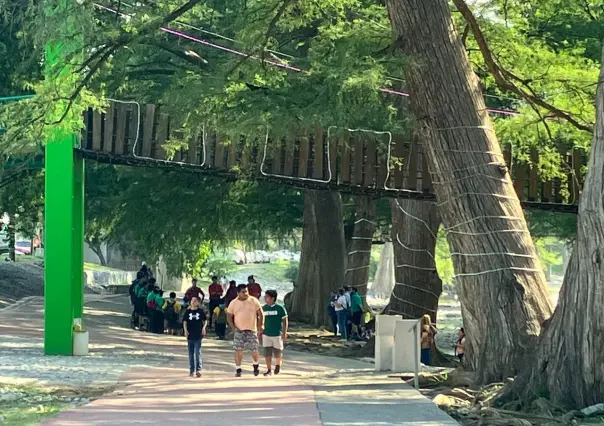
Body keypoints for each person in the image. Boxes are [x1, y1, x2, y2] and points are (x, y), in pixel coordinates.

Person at [227, 284, 264, 377]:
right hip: (239, 330)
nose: (246, 293)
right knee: (238, 349)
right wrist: (233, 328)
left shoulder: (253, 300)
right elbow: (229, 316)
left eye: (246, 291)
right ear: (238, 293)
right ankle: (238, 369)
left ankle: (256, 364)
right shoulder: (233, 303)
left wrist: (261, 325)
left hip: (251, 329)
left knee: (254, 349)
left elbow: (260, 313)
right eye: (243, 292)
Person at [262, 290, 288, 376]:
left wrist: (284, 333)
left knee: (277, 352)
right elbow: (260, 320)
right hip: (266, 334)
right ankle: (269, 369)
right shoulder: (264, 308)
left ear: (273, 298)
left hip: (277, 334)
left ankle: (278, 365)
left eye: (267, 297)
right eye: (265, 297)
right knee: (267, 352)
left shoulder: (280, 308)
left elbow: (285, 321)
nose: (265, 298)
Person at [183, 296, 207, 377]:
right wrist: (185, 330)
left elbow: (205, 320)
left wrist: (204, 328)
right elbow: (185, 322)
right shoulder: (187, 312)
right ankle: (191, 370)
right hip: (190, 335)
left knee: (197, 353)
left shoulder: (200, 311)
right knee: (190, 353)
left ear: (198, 303)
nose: (193, 302)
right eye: (192, 300)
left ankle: (198, 370)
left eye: (195, 300)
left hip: (198, 335)